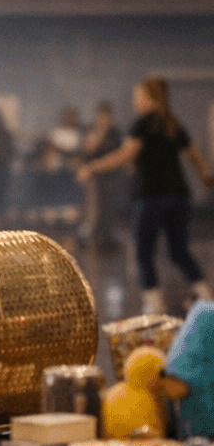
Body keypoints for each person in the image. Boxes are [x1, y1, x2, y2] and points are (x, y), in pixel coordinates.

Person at [78, 77, 214, 315]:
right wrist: (205, 176)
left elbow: (124, 155)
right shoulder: (173, 124)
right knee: (179, 251)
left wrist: (93, 167)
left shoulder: (142, 124)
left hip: (150, 197)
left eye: (137, 96)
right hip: (178, 198)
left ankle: (154, 304)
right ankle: (205, 296)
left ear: (148, 98)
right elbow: (194, 155)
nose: (134, 101)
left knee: (143, 253)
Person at [79, 101, 124, 245]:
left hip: (111, 175)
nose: (104, 120)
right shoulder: (92, 131)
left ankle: (106, 236)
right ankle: (93, 236)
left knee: (108, 207)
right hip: (95, 176)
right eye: (101, 117)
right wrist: (99, 134)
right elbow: (88, 151)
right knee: (94, 207)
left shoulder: (114, 133)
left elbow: (119, 154)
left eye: (107, 117)